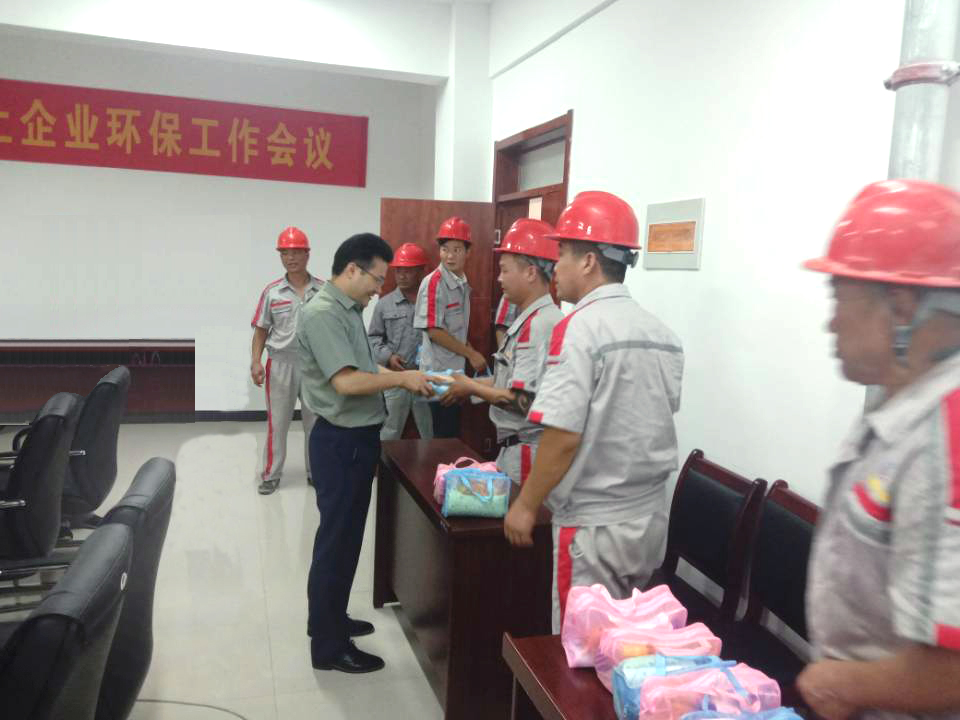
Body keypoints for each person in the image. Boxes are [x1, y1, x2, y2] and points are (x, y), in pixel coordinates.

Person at [796, 179, 960, 720]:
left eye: (839, 298)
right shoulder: (905, 404)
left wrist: (840, 682)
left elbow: (951, 670)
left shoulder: (948, 433)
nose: (830, 321)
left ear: (902, 305)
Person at [502, 191, 684, 633]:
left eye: (562, 253)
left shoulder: (578, 329)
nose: (555, 266)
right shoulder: (663, 333)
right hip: (648, 522)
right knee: (629, 642)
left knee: (580, 648)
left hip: (595, 526)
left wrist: (526, 504)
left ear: (588, 262)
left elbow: (564, 435)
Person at [297, 233, 433, 674]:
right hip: (340, 442)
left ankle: (332, 618)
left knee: (348, 539)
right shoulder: (323, 313)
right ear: (352, 269)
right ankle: (328, 647)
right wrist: (402, 380)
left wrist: (401, 373)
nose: (379, 288)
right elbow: (347, 382)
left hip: (355, 439)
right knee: (335, 543)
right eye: (376, 278)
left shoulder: (348, 309)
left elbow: (362, 366)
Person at [441, 218, 563, 486]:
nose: (499, 278)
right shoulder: (532, 319)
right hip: (518, 450)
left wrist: (470, 387)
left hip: (528, 453)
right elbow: (508, 382)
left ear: (530, 273)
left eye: (504, 270)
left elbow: (521, 402)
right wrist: (465, 384)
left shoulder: (538, 325)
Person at [250, 226, 323, 495]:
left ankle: (316, 472)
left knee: (316, 424)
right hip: (281, 364)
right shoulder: (272, 292)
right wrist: (256, 362)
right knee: (277, 423)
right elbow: (261, 330)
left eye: (295, 252)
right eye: (284, 253)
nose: (290, 258)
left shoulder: (323, 291)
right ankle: (271, 474)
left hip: (314, 367)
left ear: (307, 254)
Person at [413, 216, 487, 438]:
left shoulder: (462, 281)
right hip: (438, 375)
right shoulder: (435, 282)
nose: (450, 256)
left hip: (455, 373)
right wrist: (471, 354)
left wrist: (469, 350)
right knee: (440, 439)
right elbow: (434, 331)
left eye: (457, 250)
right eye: (445, 249)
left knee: (450, 435)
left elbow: (455, 330)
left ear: (468, 252)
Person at [368, 242, 434, 441]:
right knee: (390, 431)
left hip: (426, 377)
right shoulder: (384, 304)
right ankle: (384, 462)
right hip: (395, 378)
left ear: (421, 271)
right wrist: (388, 357)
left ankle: (430, 462)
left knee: (429, 433)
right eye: (398, 271)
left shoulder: (431, 302)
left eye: (408, 271)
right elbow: (373, 338)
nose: (402, 276)